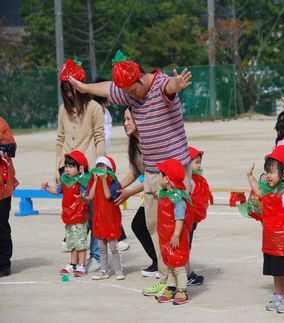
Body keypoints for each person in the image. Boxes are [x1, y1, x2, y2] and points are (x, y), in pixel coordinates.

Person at [69, 50, 193, 296]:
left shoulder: (159, 85)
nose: (129, 96)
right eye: (125, 93)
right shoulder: (128, 91)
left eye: (132, 91)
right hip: (151, 171)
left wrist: (176, 85)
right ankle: (166, 277)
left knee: (176, 226)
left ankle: (182, 279)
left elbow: (169, 87)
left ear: (140, 78)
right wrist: (84, 88)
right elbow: (107, 88)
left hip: (174, 173)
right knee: (155, 227)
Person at [56, 57, 105, 272]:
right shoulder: (63, 110)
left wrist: (101, 164)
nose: (69, 94)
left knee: (92, 212)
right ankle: (76, 253)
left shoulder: (94, 107)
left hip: (88, 168)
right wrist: (57, 167)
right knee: (72, 210)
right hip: (68, 168)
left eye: (72, 89)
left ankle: (94, 256)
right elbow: (60, 138)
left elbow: (99, 136)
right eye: (65, 90)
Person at [246, 145, 284, 314]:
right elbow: (257, 191)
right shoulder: (269, 191)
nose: (268, 176)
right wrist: (250, 177)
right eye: (267, 171)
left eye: (272, 172)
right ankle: (279, 295)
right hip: (270, 240)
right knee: (276, 272)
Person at [114, 106, 158, 277]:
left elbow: (151, 177)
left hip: (161, 192)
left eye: (129, 119)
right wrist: (118, 186)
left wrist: (128, 193)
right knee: (140, 225)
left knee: (142, 225)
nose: (125, 123)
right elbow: (136, 172)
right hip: (150, 191)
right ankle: (158, 261)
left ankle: (164, 263)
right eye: (124, 120)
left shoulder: (150, 142)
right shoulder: (134, 144)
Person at [93, 77, 130, 252]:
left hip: (103, 158)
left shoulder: (105, 112)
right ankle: (119, 236)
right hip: (95, 160)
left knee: (106, 197)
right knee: (101, 199)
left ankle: (118, 235)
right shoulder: (93, 111)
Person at [41, 150, 90, 277]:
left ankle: (81, 265)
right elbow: (57, 191)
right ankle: (73, 264)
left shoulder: (82, 181)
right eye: (66, 166)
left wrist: (84, 196)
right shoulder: (65, 180)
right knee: (72, 242)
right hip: (68, 216)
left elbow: (87, 196)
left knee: (80, 243)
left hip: (79, 217)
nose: (67, 169)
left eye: (71, 166)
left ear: (80, 168)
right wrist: (47, 188)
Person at [78, 156, 125, 280]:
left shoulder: (114, 182)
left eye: (102, 166)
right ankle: (103, 270)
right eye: (97, 166)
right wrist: (83, 198)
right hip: (99, 218)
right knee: (102, 247)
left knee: (113, 247)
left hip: (111, 218)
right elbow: (90, 197)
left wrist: (104, 180)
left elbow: (108, 195)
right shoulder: (93, 181)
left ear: (108, 169)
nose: (99, 169)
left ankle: (119, 270)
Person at [155, 158, 193, 305]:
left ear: (167, 178)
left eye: (160, 174)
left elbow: (179, 218)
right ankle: (171, 288)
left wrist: (176, 234)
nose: (158, 177)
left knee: (178, 266)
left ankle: (182, 290)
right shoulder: (165, 194)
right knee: (170, 264)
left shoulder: (178, 198)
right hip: (165, 236)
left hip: (174, 237)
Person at [187, 146, 211, 286]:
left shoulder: (197, 179)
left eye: (199, 162)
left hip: (193, 219)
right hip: (187, 219)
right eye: (195, 162)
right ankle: (186, 274)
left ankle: (186, 272)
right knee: (185, 246)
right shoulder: (188, 181)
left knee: (187, 245)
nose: (199, 165)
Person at [0, 117, 18, 277]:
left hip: (2, 187)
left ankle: (4, 263)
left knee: (1, 226)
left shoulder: (1, 124)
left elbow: (11, 147)